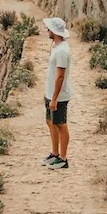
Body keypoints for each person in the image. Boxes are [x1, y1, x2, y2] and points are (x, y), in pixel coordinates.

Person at [41, 16, 73, 170]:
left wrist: (54, 99)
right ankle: (54, 154)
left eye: (49, 29)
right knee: (50, 122)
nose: (47, 31)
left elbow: (60, 77)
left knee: (61, 125)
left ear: (54, 31)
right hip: (50, 94)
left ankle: (63, 158)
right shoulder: (57, 47)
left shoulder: (62, 51)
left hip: (58, 97)